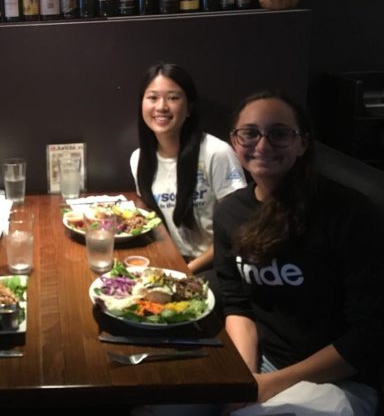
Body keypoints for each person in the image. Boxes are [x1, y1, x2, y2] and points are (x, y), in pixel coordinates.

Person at [213, 92, 382, 415]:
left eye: (279, 133)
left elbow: (368, 336)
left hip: (340, 381)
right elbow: (238, 307)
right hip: (263, 363)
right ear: (235, 142)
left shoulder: (350, 213)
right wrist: (243, 380)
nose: (262, 146)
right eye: (249, 133)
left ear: (303, 143)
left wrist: (270, 384)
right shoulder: (229, 213)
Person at [130, 62, 246, 274]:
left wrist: (186, 270)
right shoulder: (139, 159)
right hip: (169, 263)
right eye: (152, 97)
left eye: (173, 97)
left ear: (189, 107)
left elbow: (238, 230)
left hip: (214, 268)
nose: (161, 107)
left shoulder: (216, 153)